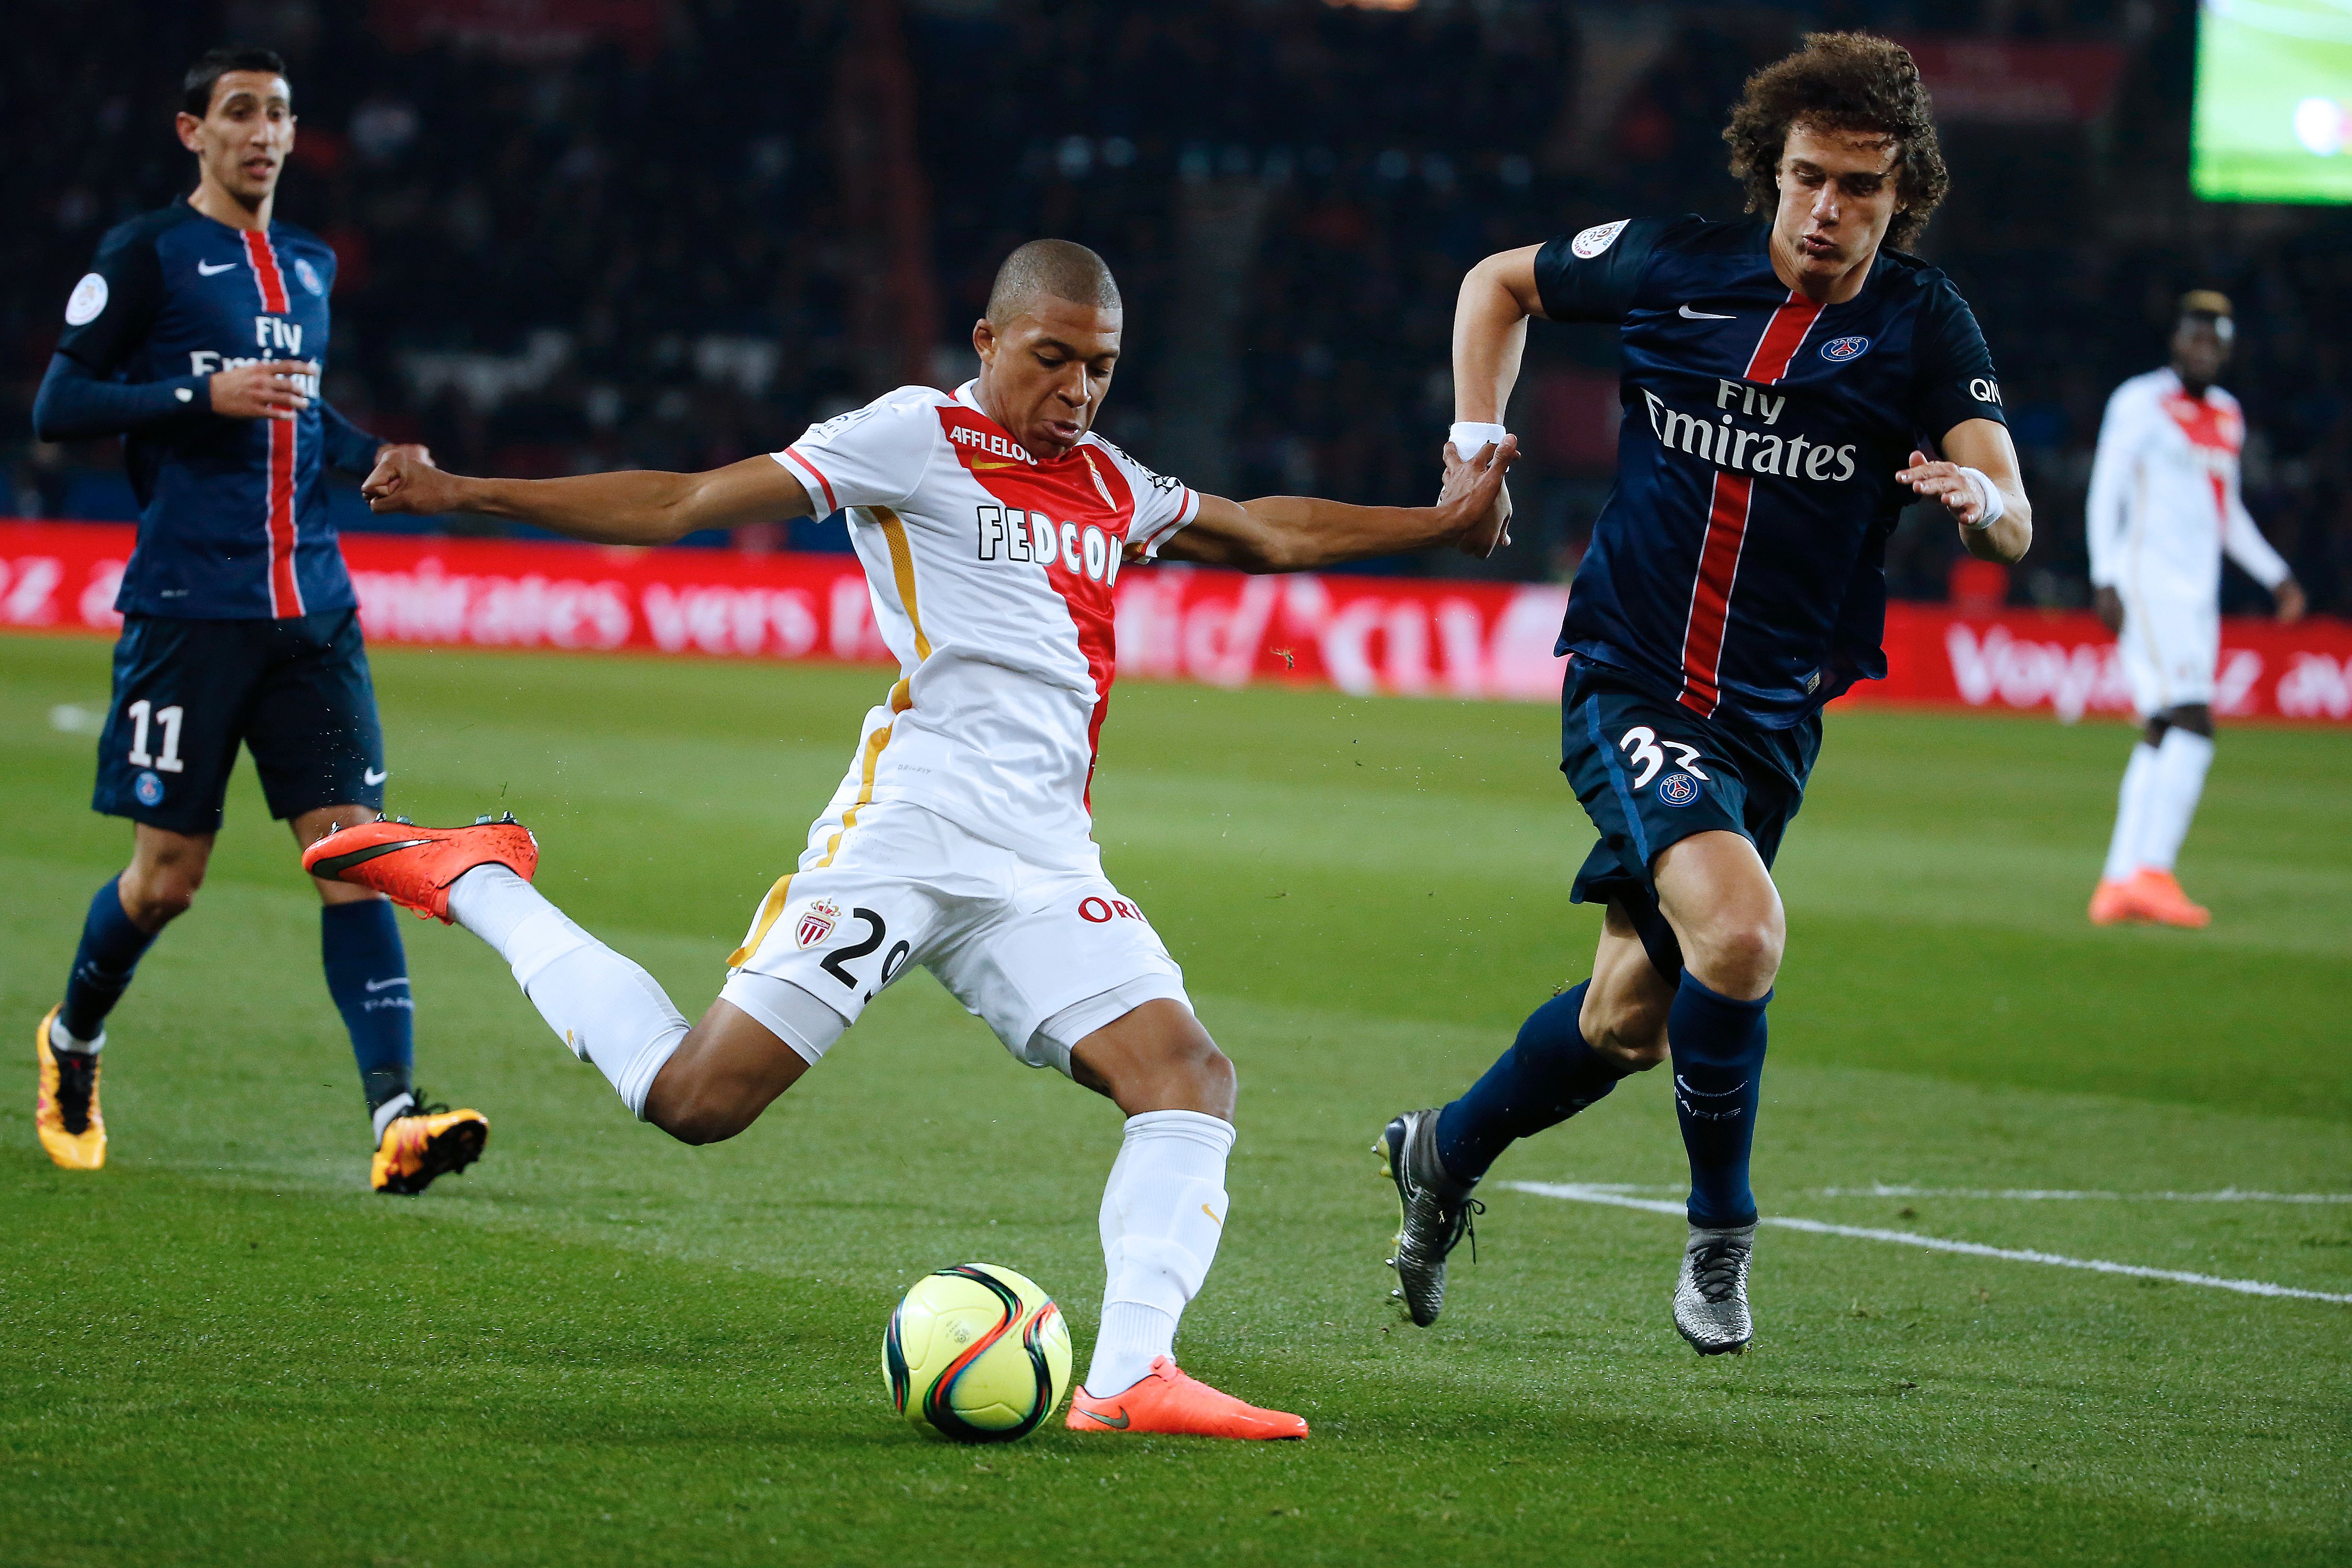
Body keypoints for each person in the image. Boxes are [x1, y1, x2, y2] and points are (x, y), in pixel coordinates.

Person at [305, 238, 1516, 1439]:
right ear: (987, 342)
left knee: (1188, 1076)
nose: (1079, 392)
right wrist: (465, 492)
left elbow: (1268, 532)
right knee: (695, 1101)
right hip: (910, 836)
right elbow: (681, 502)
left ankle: (1131, 1377)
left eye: (1101, 367)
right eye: (1054, 360)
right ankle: (478, 879)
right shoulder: (911, 437)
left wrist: (1441, 518)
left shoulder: (1107, 478)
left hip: (1043, 865)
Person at [1377, 33, 2032, 1355]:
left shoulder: (1919, 320)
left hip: (1771, 713)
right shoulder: (1672, 263)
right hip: (1632, 673)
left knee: (1627, 1019)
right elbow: (1496, 283)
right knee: (1737, 935)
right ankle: (1720, 1234)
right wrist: (1471, 441)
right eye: (1806, 178)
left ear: (1901, 193)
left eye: (1859, 186)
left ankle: (1441, 1148)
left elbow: (2009, 507)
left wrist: (1985, 502)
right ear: (1768, 172)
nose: (1827, 210)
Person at [29, 47, 488, 1194]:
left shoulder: (310, 265)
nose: (263, 133)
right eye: (239, 113)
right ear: (193, 131)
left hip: (314, 614)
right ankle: (72, 1041)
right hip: (193, 610)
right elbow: (58, 402)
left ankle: (398, 1115)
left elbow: (301, 418)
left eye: (279, 114)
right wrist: (196, 393)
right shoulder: (146, 255)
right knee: (167, 879)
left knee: (356, 858)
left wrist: (376, 454)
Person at [2085, 292, 2305, 929]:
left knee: (2160, 729)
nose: (2201, 350)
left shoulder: (2228, 415)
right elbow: (2107, 490)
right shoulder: (2139, 402)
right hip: (2148, 583)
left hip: (2196, 594)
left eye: (2214, 342)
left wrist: (2276, 574)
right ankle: (2152, 871)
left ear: (2226, 350)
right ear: (2175, 341)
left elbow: (2223, 511)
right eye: (2192, 338)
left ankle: (2117, 881)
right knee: (2193, 722)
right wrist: (2105, 576)